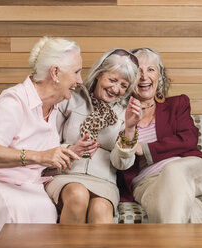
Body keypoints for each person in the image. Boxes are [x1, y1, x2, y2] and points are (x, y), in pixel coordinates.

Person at [0, 36, 83, 248]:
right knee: (13, 206)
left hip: (22, 182)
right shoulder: (14, 101)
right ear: (55, 73)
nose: (80, 80)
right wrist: (41, 156)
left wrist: (63, 156)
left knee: (44, 209)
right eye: (76, 72)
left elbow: (36, 159)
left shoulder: (53, 107)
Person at [117, 47, 202, 223]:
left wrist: (145, 150)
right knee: (192, 212)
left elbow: (189, 139)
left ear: (159, 76)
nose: (144, 76)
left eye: (151, 70)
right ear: (129, 78)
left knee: (173, 169)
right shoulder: (120, 113)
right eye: (138, 71)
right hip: (148, 183)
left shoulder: (177, 104)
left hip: (191, 171)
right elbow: (119, 158)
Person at [45, 48, 140, 223]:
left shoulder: (124, 113)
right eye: (112, 80)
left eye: (123, 85)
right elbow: (46, 143)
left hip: (104, 182)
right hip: (66, 175)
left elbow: (121, 164)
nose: (115, 89)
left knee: (100, 210)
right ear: (98, 74)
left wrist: (129, 129)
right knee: (78, 195)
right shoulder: (71, 98)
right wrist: (71, 150)